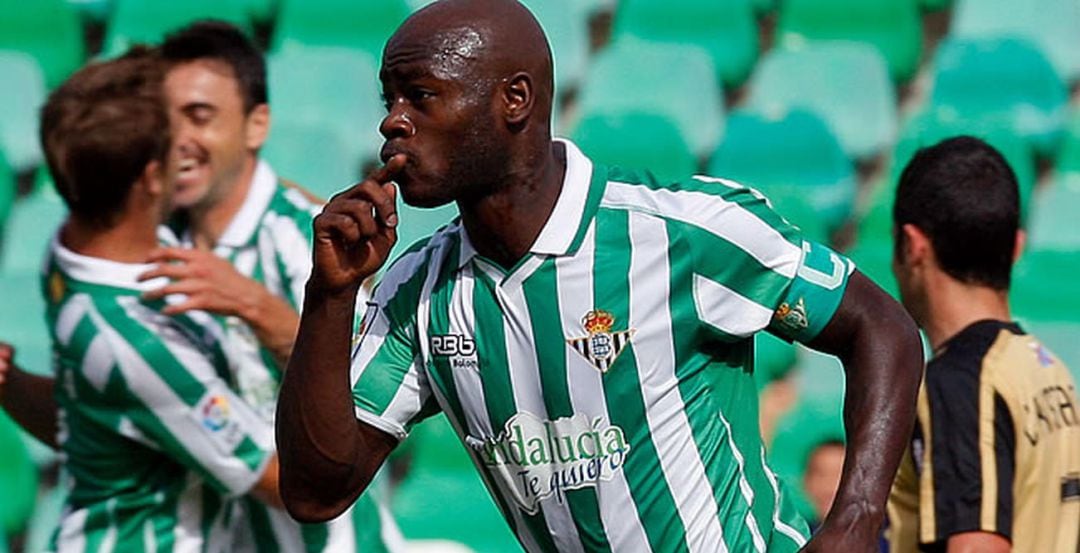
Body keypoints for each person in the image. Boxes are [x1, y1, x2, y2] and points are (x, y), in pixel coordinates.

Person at [275, 1, 924, 551]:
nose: (393, 119)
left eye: (420, 96)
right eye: (389, 98)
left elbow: (881, 327)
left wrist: (857, 518)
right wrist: (329, 296)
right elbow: (314, 490)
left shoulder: (680, 233)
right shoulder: (418, 290)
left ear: (515, 100)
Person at [1, 21, 402, 552]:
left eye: (200, 117)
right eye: (168, 121)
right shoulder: (133, 248)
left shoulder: (302, 235)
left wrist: (256, 306)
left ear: (256, 125)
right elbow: (121, 420)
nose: (182, 141)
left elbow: (373, 398)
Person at [35, 48, 283, 552]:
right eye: (176, 141)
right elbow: (291, 487)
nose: (189, 147)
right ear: (150, 177)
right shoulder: (142, 344)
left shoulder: (70, 248)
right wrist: (262, 310)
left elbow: (90, 423)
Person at [886, 137, 1080, 552]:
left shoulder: (960, 384)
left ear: (912, 246)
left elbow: (978, 546)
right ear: (1016, 247)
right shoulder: (1048, 370)